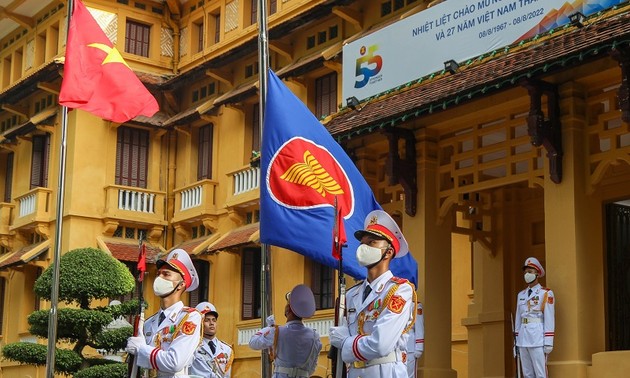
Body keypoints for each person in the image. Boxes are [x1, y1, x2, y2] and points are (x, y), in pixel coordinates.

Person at [329, 209, 417, 378]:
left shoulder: (399, 290)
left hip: (385, 372)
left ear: (388, 252)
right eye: (362, 243)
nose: (363, 248)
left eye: (371, 243)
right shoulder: (351, 295)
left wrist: (346, 342)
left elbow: (381, 344)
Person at [126, 249, 202, 377]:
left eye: (166, 274)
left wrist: (141, 349)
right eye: (159, 274)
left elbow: (175, 362)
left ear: (181, 284)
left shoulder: (189, 318)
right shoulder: (148, 322)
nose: (159, 278)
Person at [249, 284, 323, 377]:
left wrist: (269, 328)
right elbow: (312, 368)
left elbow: (253, 342)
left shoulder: (277, 332)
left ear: (288, 310)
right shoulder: (314, 336)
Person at [515, 257, 555, 378]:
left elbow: (549, 318)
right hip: (523, 338)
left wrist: (548, 341)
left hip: (538, 338)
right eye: (526, 272)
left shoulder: (545, 293)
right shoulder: (521, 295)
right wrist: (516, 341)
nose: (527, 274)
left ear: (537, 274)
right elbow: (518, 318)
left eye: (530, 272)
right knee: (527, 373)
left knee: (540, 373)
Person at [190, 302, 234, 377]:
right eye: (207, 320)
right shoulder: (192, 346)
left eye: (214, 320)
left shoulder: (226, 349)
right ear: (199, 322)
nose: (211, 323)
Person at [406, 302, 424, 377]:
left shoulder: (415, 306)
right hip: (397, 348)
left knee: (410, 374)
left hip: (411, 347)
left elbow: (419, 327)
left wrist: (419, 347)